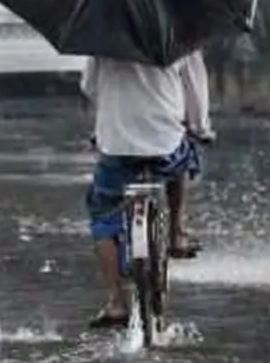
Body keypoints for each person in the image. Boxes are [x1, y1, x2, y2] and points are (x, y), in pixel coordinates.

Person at [79, 49, 215, 328]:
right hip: (164, 142)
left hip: (116, 144)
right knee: (183, 162)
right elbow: (196, 95)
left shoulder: (104, 38)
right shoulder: (182, 38)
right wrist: (201, 129)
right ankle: (176, 233)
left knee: (103, 214)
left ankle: (117, 301)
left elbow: (89, 86)